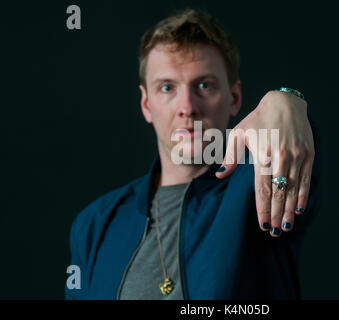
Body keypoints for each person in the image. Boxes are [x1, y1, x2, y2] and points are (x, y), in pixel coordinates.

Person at [65, 8, 320, 300]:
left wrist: (285, 102)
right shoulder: (95, 223)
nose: (187, 106)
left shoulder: (261, 181)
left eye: (204, 85)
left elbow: (293, 149)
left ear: (234, 98)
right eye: (167, 87)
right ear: (146, 105)